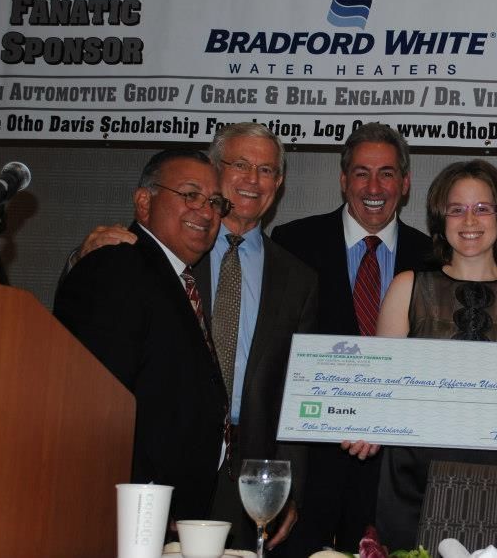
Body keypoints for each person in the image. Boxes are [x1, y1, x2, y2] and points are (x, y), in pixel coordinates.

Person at [63, 124, 319, 551]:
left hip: (249, 474)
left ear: (279, 183)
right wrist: (81, 257)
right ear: (214, 169)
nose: (253, 180)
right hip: (156, 469)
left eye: (267, 170)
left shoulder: (299, 278)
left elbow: (298, 391)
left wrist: (286, 483)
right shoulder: (167, 247)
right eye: (240, 165)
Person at [372, 159, 497, 549]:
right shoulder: (407, 286)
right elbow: (378, 387)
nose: (469, 220)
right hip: (413, 479)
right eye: (456, 209)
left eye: (482, 208)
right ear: (441, 220)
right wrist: (363, 423)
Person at [269, 122, 432, 555]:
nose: (374, 187)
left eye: (386, 173)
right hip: (309, 465)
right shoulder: (292, 243)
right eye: (362, 173)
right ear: (344, 180)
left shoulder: (433, 258)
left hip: (395, 473)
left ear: (405, 183)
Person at [54, 149, 231, 522]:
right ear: (144, 202)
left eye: (215, 202)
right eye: (190, 194)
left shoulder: (173, 276)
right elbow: (96, 407)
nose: (206, 211)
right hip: (132, 509)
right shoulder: (116, 266)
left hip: (167, 507)